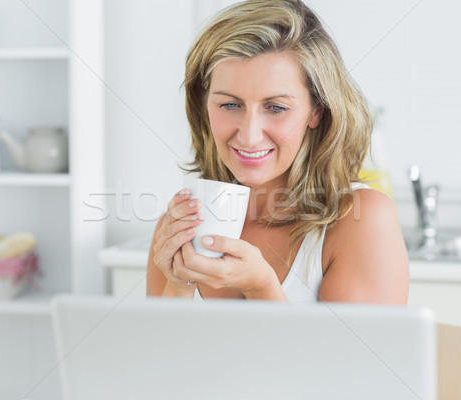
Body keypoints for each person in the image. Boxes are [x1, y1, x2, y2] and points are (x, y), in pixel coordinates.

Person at [146, 0, 409, 304]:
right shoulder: (178, 227)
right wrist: (179, 283)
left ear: (317, 113)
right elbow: (160, 351)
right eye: (230, 105)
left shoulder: (362, 220)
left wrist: (261, 287)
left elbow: (353, 354)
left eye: (276, 108)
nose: (248, 135)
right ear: (204, 106)